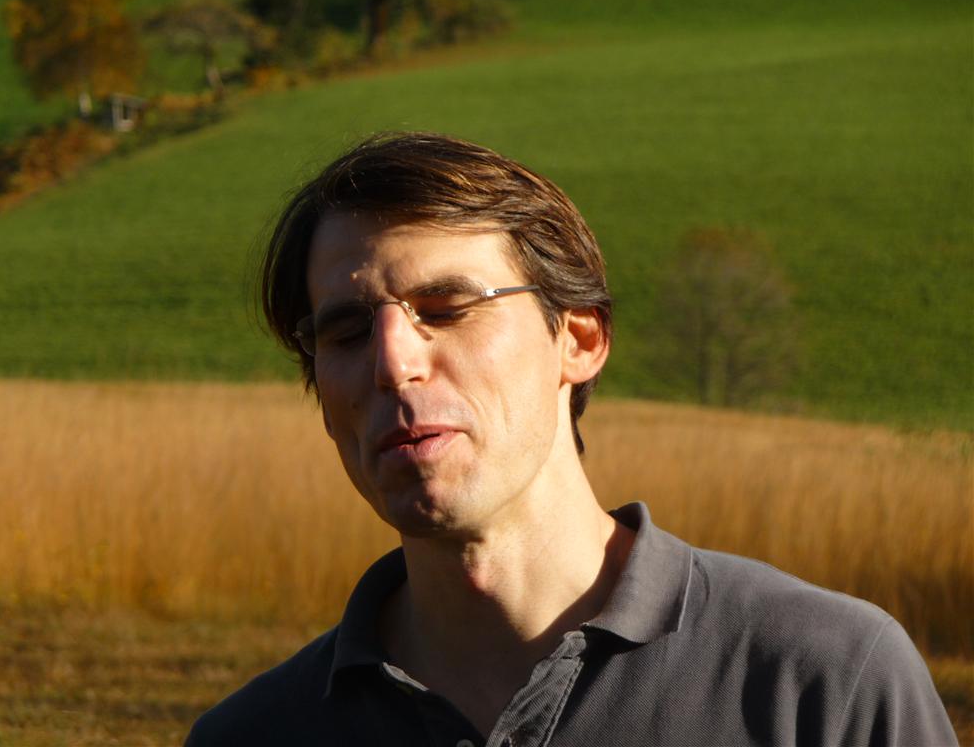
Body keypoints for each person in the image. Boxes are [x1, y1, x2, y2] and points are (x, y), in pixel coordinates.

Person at [186, 132, 956, 746]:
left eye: (446, 308)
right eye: (347, 332)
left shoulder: (824, 683)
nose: (392, 362)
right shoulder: (255, 735)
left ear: (578, 340)